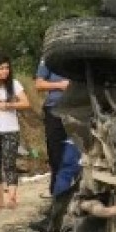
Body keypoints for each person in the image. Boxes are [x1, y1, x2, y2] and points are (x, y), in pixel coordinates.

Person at [0, 55, 30, 210]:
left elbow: (26, 103)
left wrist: (9, 105)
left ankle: (12, 197)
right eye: (1, 68)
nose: (5, 71)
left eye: (7, 68)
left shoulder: (14, 84)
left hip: (10, 128)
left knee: (9, 163)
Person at [34, 59, 71, 197]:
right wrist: (60, 85)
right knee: (55, 151)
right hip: (54, 109)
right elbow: (39, 84)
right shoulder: (50, 57)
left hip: (80, 108)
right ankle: (55, 191)